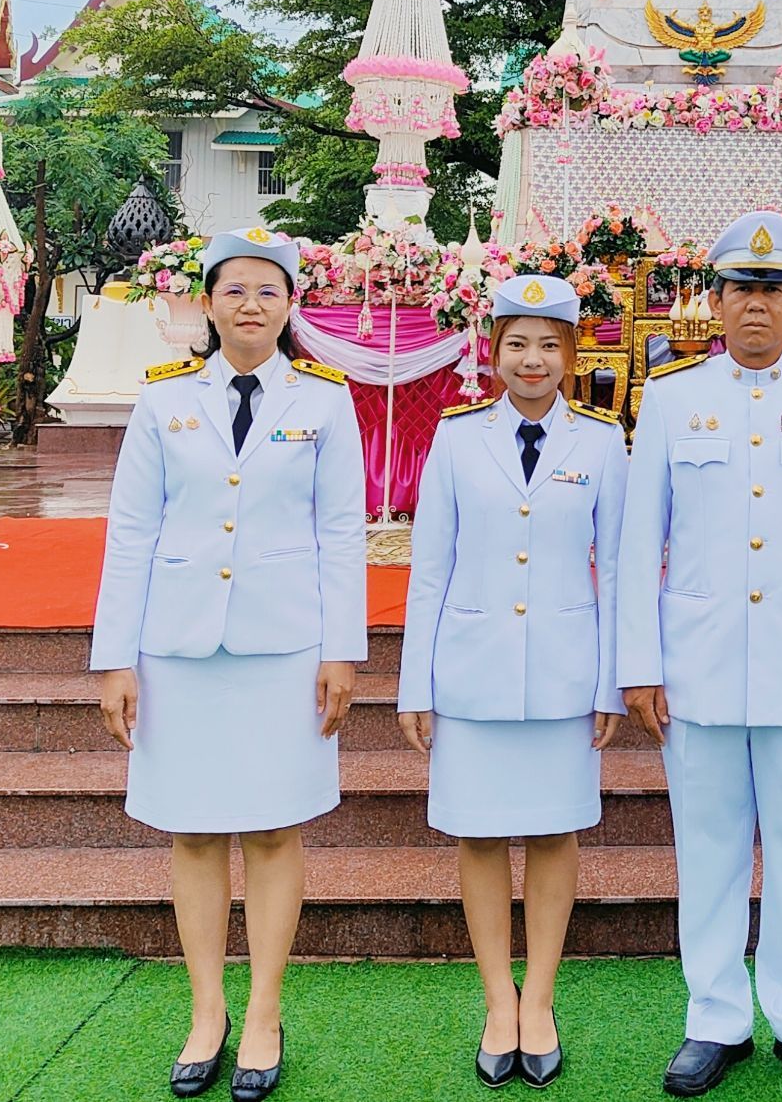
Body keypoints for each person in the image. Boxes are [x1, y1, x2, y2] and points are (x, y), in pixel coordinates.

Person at [617, 210, 782, 1101]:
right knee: (708, 847)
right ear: (717, 301)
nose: (758, 308)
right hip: (696, 663)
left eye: (774, 291)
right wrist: (640, 661)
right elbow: (637, 541)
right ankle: (714, 1016)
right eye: (742, 290)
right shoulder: (670, 399)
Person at [90, 228, 367, 1102]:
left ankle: (264, 1013)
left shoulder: (326, 400)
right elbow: (130, 531)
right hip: (178, 648)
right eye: (235, 289)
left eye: (269, 290)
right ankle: (207, 1010)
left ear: (291, 305)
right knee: (197, 830)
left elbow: (340, 532)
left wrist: (341, 652)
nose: (252, 304)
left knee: (276, 829)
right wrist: (115, 659)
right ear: (207, 302)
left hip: (285, 648)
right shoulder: (162, 400)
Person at [397, 274, 628, 1089]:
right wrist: (414, 685)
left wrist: (610, 683)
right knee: (482, 833)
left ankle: (543, 997)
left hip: (566, 674)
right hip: (473, 671)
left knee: (558, 832)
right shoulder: (458, 439)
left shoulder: (602, 443)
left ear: (571, 353)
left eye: (548, 343)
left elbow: (618, 573)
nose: (532, 359)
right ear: (491, 352)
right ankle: (501, 999)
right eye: (516, 343)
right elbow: (430, 570)